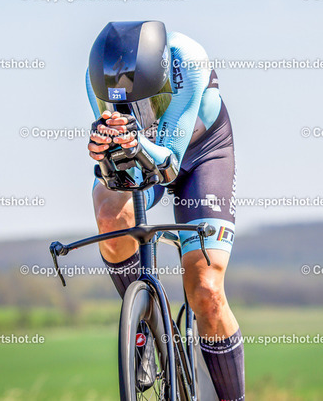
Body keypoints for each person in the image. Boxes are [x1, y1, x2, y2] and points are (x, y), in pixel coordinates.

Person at [86, 20, 244, 400]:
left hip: (202, 152)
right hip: (142, 152)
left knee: (206, 290)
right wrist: (104, 154)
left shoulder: (187, 60)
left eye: (150, 101)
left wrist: (134, 141)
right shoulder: (95, 78)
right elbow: (119, 169)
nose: (140, 110)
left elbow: (169, 163)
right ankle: (147, 332)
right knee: (109, 215)